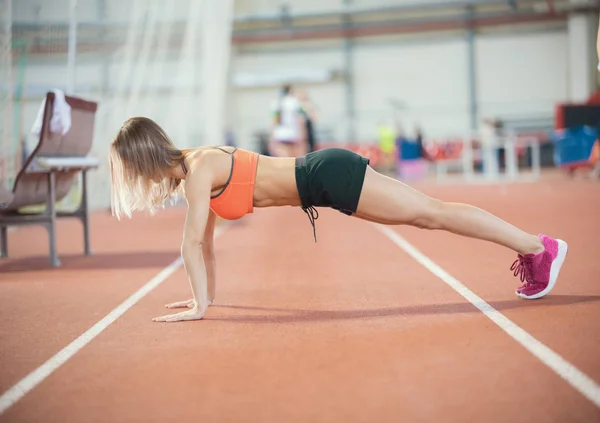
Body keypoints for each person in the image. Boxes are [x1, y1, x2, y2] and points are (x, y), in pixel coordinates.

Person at [109, 117, 569, 323]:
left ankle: (536, 247)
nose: (134, 177)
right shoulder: (196, 171)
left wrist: (199, 308)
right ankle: (534, 246)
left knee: (431, 214)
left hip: (327, 175)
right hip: (323, 180)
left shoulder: (198, 167)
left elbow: (190, 245)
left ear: (142, 157)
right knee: (431, 214)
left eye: (130, 168)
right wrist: (203, 298)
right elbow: (205, 245)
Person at [269, 85, 305, 158]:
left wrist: (272, 138)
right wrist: (303, 136)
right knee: (293, 159)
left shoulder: (275, 102)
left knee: (284, 158)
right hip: (293, 134)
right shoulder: (295, 102)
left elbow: (274, 122)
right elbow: (300, 120)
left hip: (280, 134)